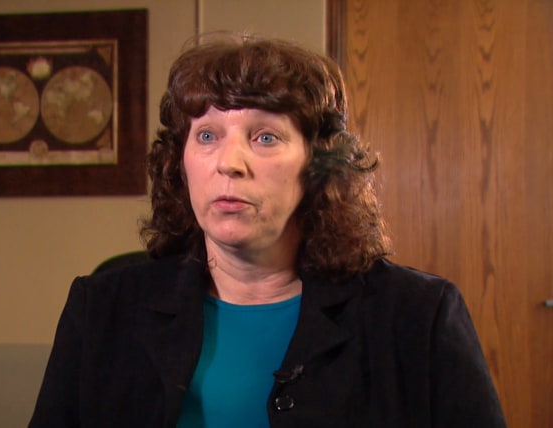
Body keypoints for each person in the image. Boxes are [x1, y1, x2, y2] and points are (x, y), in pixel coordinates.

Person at [29, 33, 506, 427]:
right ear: (180, 161)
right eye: (207, 135)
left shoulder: (417, 317)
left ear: (318, 165)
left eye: (265, 137)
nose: (229, 163)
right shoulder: (102, 309)